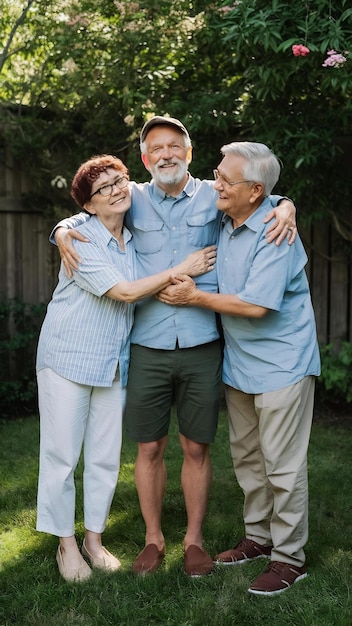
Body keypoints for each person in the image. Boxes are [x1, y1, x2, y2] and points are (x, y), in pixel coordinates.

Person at [51, 117, 297, 577]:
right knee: (149, 448)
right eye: (155, 149)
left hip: (204, 343)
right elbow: (82, 214)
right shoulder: (131, 197)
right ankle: (153, 539)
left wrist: (287, 205)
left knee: (197, 447)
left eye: (174, 146)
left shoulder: (215, 193)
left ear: (188, 151)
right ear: (144, 160)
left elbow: (260, 194)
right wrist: (61, 231)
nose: (165, 154)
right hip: (146, 344)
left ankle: (194, 541)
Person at [36, 153, 216, 582]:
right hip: (67, 358)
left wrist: (287, 204)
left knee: (103, 458)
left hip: (114, 362)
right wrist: (183, 268)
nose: (117, 190)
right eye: (104, 188)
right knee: (61, 457)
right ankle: (66, 546)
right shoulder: (80, 237)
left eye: (120, 181)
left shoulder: (131, 237)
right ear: (88, 205)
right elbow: (124, 292)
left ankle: (93, 541)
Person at [156, 141, 320, 594]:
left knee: (283, 468)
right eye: (217, 174)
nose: (216, 184)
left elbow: (255, 306)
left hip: (283, 363)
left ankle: (290, 558)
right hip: (241, 364)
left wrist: (194, 297)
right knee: (249, 460)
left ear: (257, 190)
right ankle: (259, 538)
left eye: (226, 180)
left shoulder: (274, 229)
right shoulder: (229, 215)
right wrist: (65, 226)